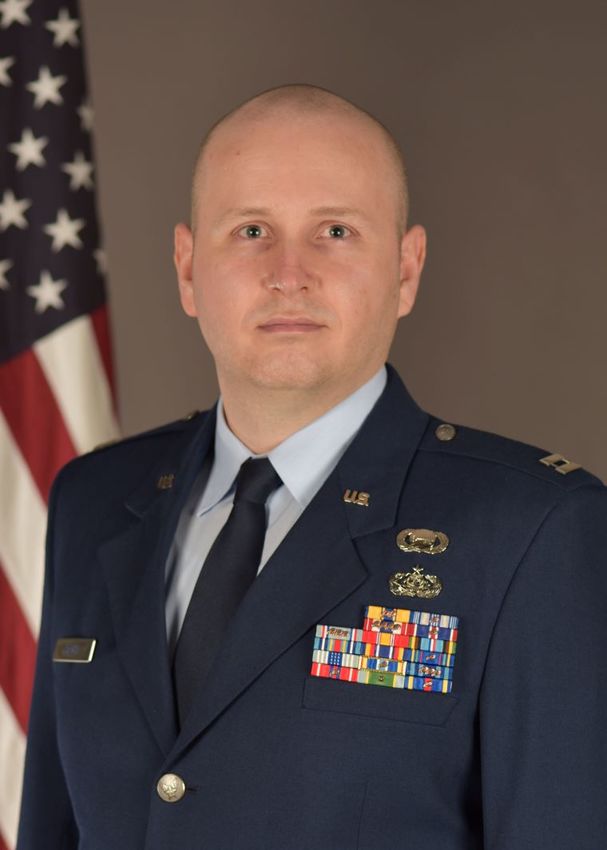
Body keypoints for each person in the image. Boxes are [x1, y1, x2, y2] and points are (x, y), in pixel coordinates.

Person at [17, 84, 606, 850]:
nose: (288, 273)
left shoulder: (530, 530)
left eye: (334, 231)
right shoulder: (94, 500)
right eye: (251, 230)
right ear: (188, 269)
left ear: (405, 270)